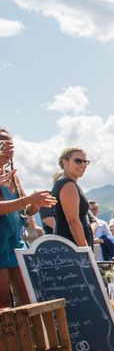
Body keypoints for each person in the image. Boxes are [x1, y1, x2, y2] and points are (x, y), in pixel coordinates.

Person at [0, 129, 57, 308]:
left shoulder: (13, 177)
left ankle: (31, 336)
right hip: (1, 244)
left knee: (30, 300)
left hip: (17, 244)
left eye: (10, 144)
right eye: (2, 144)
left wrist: (35, 204)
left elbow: (25, 211)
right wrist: (29, 200)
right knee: (3, 304)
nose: (8, 148)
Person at [50, 147, 93, 247]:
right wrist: (84, 249)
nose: (83, 164)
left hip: (69, 245)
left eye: (85, 162)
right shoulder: (68, 185)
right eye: (78, 161)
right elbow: (73, 221)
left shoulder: (66, 183)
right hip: (71, 247)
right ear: (65, 162)